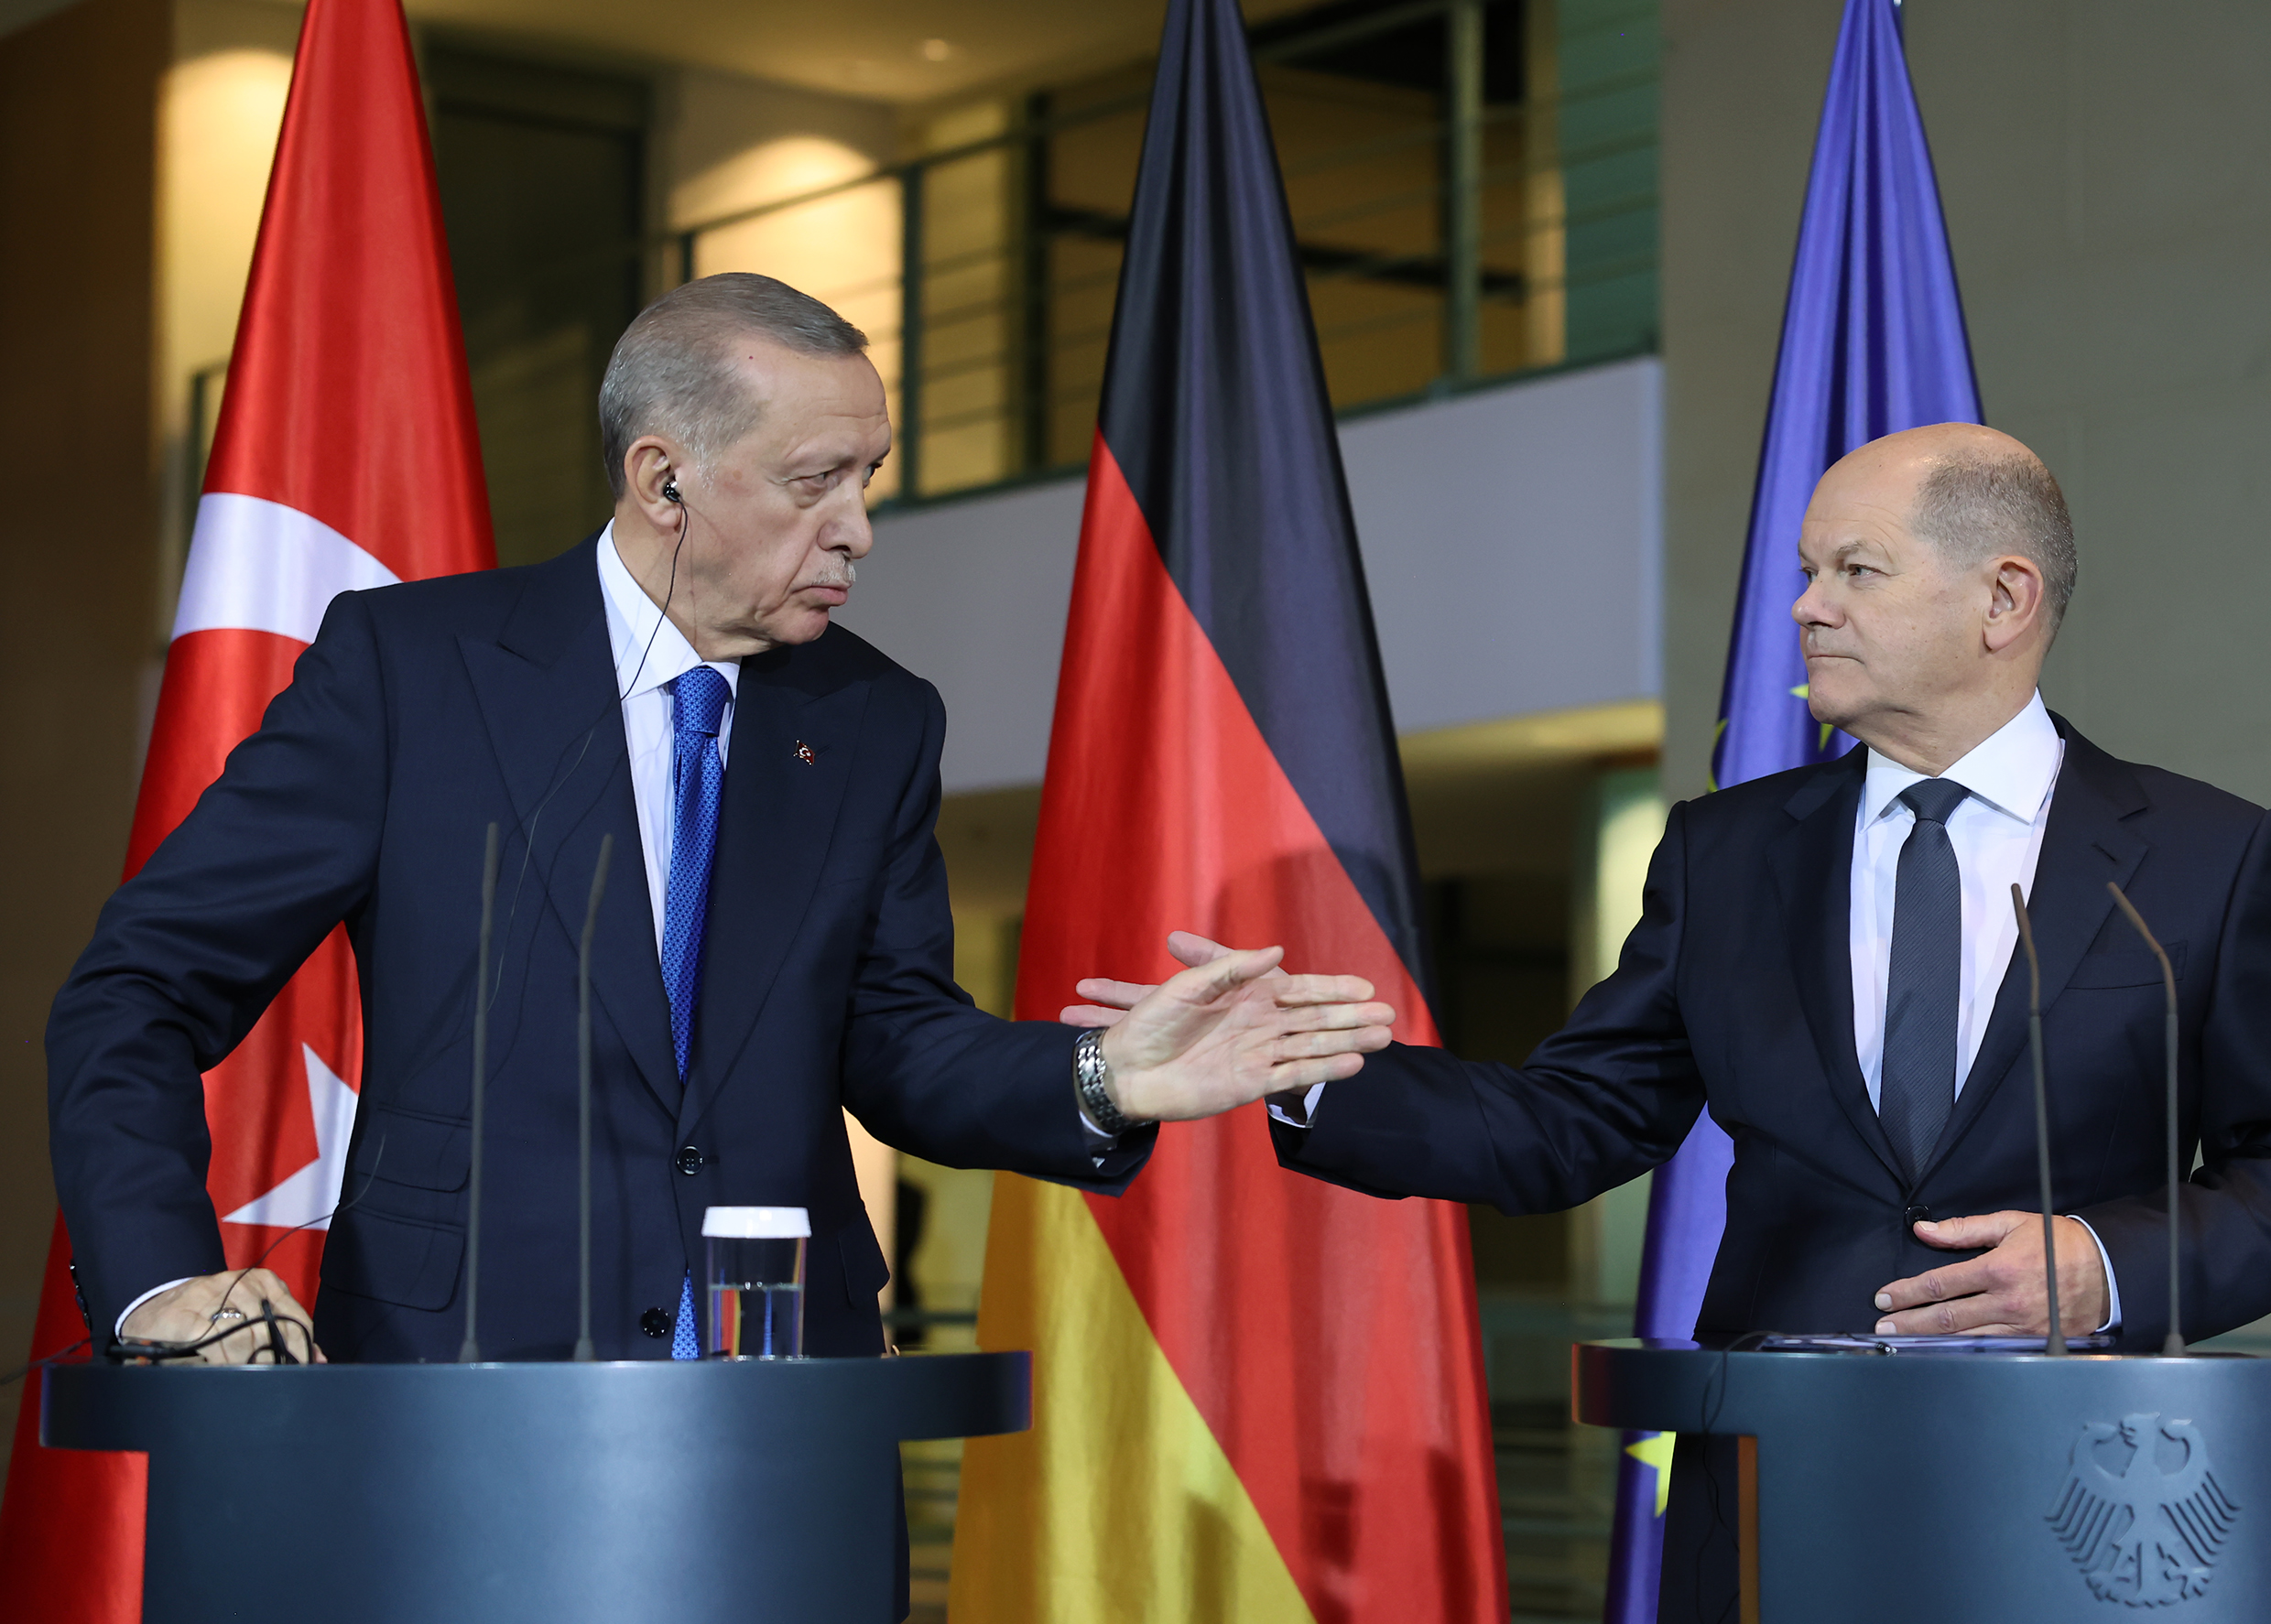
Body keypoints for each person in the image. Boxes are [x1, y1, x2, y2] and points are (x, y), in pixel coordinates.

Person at [1086, 422, 2271, 1624]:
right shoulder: (1727, 855)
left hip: (2086, 1520)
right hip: (1776, 1518)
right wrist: (1311, 1072)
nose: (1805, 608)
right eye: (1808, 573)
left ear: (2004, 598)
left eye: (1853, 572)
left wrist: (2100, 1267)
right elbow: (1569, 1121)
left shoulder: (2206, 859)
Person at [47, 273, 1394, 1368]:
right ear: (662, 480)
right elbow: (138, 989)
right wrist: (160, 1278)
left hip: (785, 1400)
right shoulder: (411, 672)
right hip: (458, 1389)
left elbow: (896, 1044)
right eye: (817, 481)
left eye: (870, 475)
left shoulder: (876, 719)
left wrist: (1104, 1078)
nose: (861, 529)